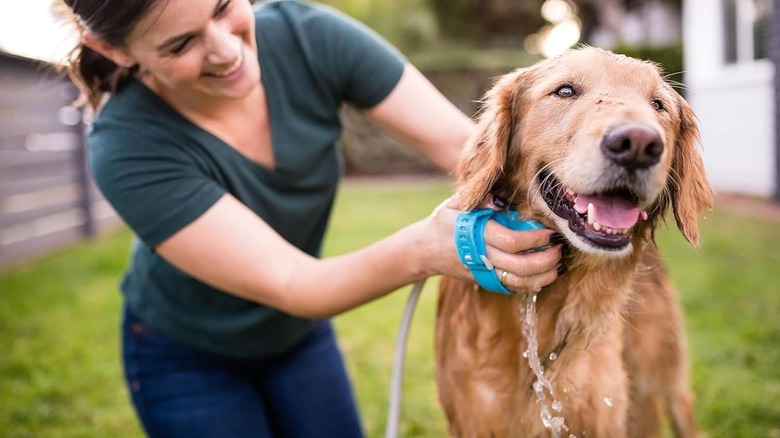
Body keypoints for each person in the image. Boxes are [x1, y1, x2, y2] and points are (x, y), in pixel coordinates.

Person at [60, 0, 565, 436]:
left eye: (222, 7)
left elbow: (465, 150)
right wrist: (426, 247)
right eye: (180, 45)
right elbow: (296, 283)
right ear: (114, 50)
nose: (226, 49)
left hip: (298, 338)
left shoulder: (310, 37)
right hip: (189, 356)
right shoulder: (127, 148)